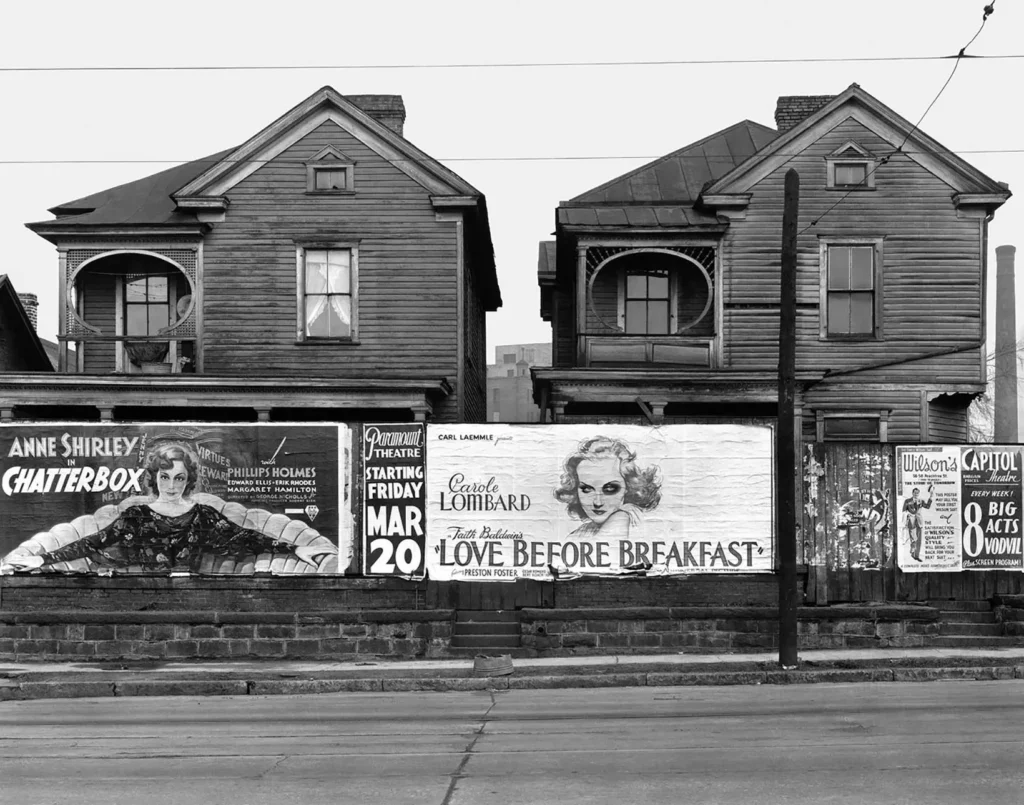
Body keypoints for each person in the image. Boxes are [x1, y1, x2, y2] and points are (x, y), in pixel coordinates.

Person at [0, 443, 328, 574]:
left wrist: (296, 548)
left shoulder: (204, 515)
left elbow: (247, 537)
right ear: (154, 477)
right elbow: (93, 542)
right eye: (165, 476)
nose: (172, 485)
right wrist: (42, 558)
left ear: (189, 480)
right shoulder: (136, 516)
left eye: (180, 477)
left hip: (196, 597)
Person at [554, 436, 662, 541]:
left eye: (610, 489)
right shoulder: (581, 533)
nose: (597, 502)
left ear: (628, 487)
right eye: (587, 489)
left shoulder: (623, 517)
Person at [903, 484, 933, 562]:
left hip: (919, 522)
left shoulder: (921, 501)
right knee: (913, 539)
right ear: (912, 493)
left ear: (918, 494)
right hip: (911, 522)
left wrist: (931, 497)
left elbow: (927, 506)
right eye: (915, 493)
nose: (916, 494)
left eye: (917, 493)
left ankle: (916, 556)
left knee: (919, 540)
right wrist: (906, 518)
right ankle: (912, 551)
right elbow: (903, 512)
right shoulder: (907, 501)